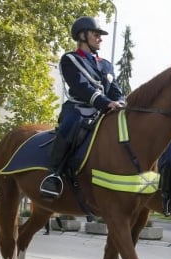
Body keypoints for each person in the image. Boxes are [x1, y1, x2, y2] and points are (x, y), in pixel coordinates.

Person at [40, 16, 125, 198]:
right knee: (69, 126)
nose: (100, 38)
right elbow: (81, 87)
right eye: (96, 34)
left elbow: (116, 90)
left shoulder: (106, 65)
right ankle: (53, 174)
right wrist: (105, 102)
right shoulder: (70, 59)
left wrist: (121, 103)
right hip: (78, 108)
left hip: (103, 110)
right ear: (82, 36)